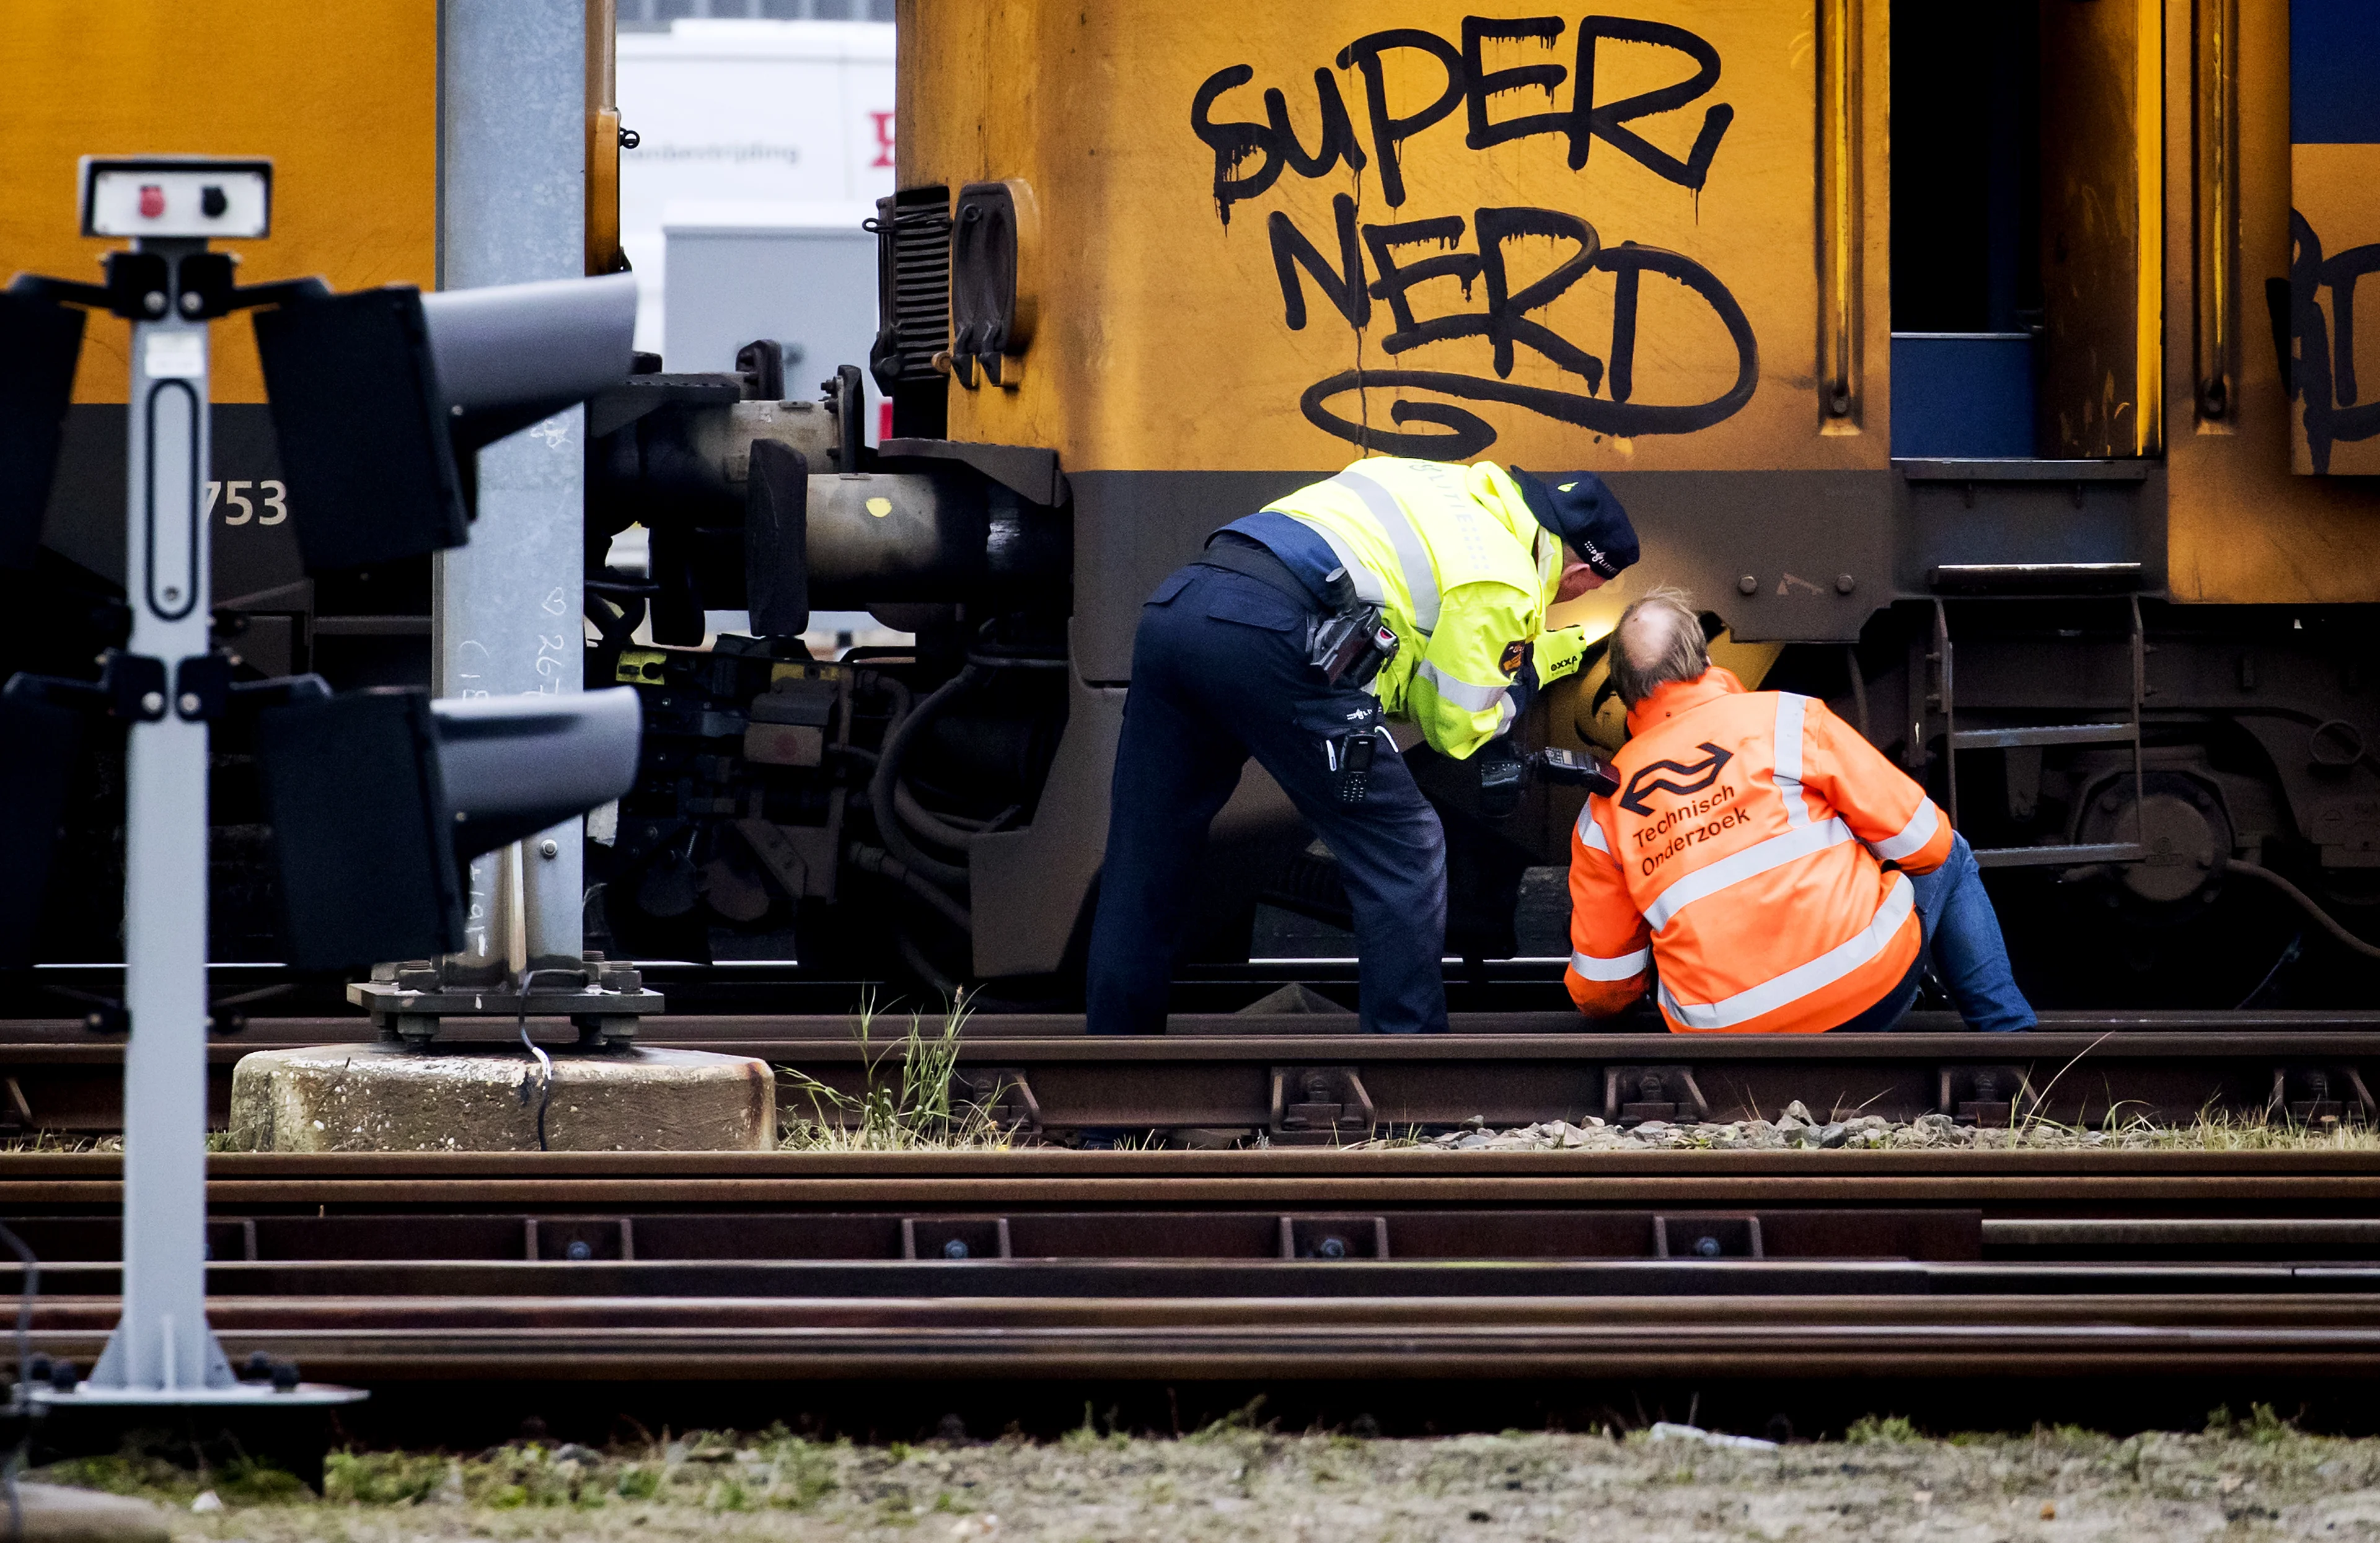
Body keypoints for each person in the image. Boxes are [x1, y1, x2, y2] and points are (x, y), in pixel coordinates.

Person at [1088, 456, 1641, 1035]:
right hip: (1280, 635)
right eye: (1581, 591)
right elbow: (1458, 729)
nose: (1563, 599)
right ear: (1581, 569)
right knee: (1405, 844)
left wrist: (1528, 654)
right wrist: (1529, 673)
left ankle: (1111, 1085)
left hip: (1179, 609)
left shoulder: (1434, 484)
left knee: (1145, 854)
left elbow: (1397, 656)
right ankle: (1406, 1075)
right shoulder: (1503, 571)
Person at [1566, 588, 2034, 1034]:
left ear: (1625, 693)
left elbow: (1603, 991)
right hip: (1866, 992)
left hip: (1723, 1036)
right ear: (1705, 660)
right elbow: (1924, 841)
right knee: (1951, 848)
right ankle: (2011, 1040)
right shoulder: (1786, 721)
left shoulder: (1604, 808)